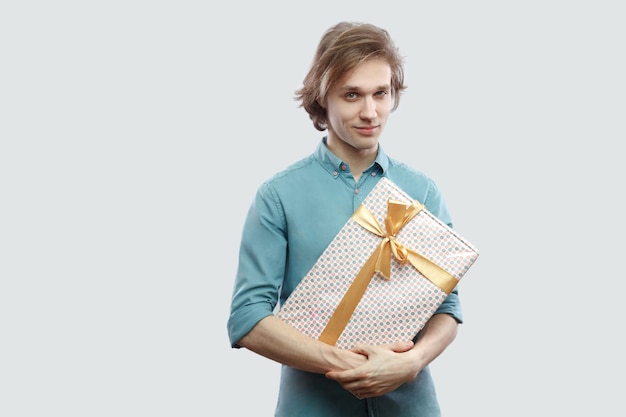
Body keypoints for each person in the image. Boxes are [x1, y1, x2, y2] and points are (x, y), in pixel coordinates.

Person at [227, 21, 463, 417]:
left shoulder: (422, 191)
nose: (370, 112)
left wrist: (412, 362)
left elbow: (446, 305)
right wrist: (343, 363)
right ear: (324, 98)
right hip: (312, 407)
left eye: (380, 94)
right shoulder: (279, 196)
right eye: (352, 95)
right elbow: (248, 317)